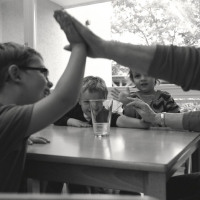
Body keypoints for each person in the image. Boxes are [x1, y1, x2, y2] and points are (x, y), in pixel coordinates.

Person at [61, 11, 200, 200]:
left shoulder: (163, 96)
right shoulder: (125, 98)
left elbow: (122, 119)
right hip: (127, 152)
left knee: (155, 184)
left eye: (147, 74)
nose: (92, 107)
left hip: (163, 148)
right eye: (137, 75)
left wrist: (149, 119)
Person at [0, 10, 87, 192]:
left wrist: (23, 134)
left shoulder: (10, 123)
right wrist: (79, 46)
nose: (50, 82)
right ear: (15, 74)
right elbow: (64, 98)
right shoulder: (6, 119)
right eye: (43, 72)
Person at [46, 75, 151, 194]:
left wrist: (142, 123)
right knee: (57, 172)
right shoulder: (72, 109)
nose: (94, 107)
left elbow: (120, 120)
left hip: (98, 158)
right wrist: (70, 121)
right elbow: (55, 117)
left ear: (105, 99)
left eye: (98, 102)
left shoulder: (103, 114)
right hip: (72, 156)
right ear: (79, 100)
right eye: (87, 102)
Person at [111, 69, 180, 126]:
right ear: (133, 80)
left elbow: (177, 118)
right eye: (137, 76)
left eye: (147, 74)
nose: (143, 79)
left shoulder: (165, 98)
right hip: (138, 139)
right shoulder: (132, 98)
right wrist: (126, 103)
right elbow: (129, 119)